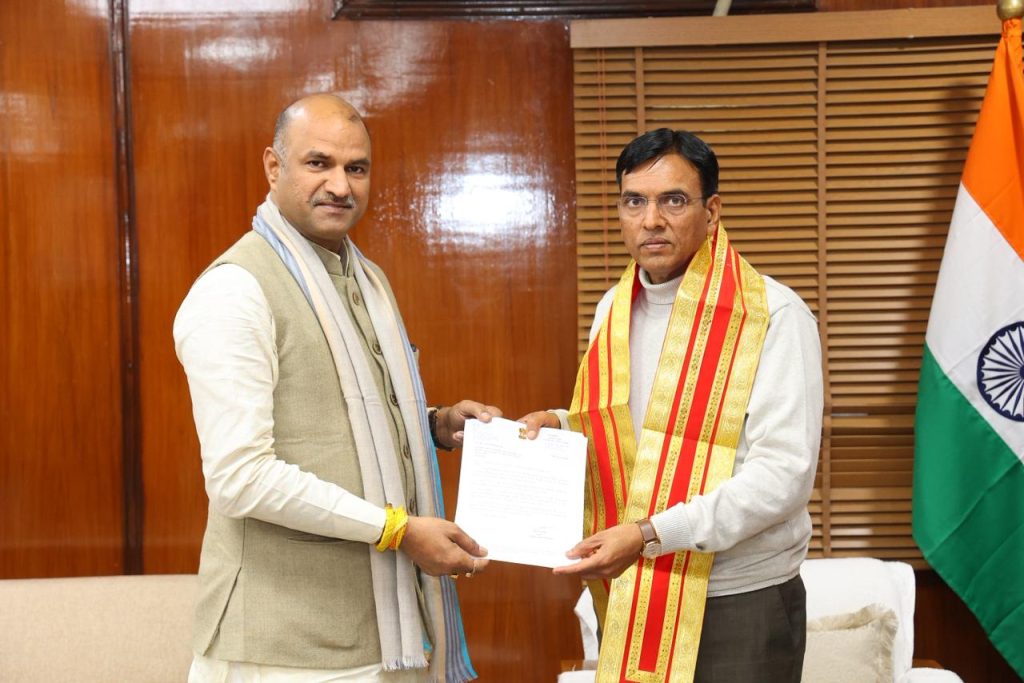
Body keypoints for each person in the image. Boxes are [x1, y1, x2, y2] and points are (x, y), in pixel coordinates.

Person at [174, 93, 497, 683]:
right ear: (274, 166)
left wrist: (433, 424)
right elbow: (240, 477)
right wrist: (397, 529)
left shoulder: (363, 277)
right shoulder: (235, 291)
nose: (340, 186)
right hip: (282, 649)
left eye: (356, 168)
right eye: (318, 163)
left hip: (383, 634)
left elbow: (334, 414)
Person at [520, 129, 823, 682]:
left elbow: (784, 476)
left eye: (673, 200)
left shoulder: (773, 315)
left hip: (739, 597)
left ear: (712, 211)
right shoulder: (615, 306)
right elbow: (631, 424)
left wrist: (649, 533)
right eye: (634, 201)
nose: (651, 220)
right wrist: (559, 425)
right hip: (637, 586)